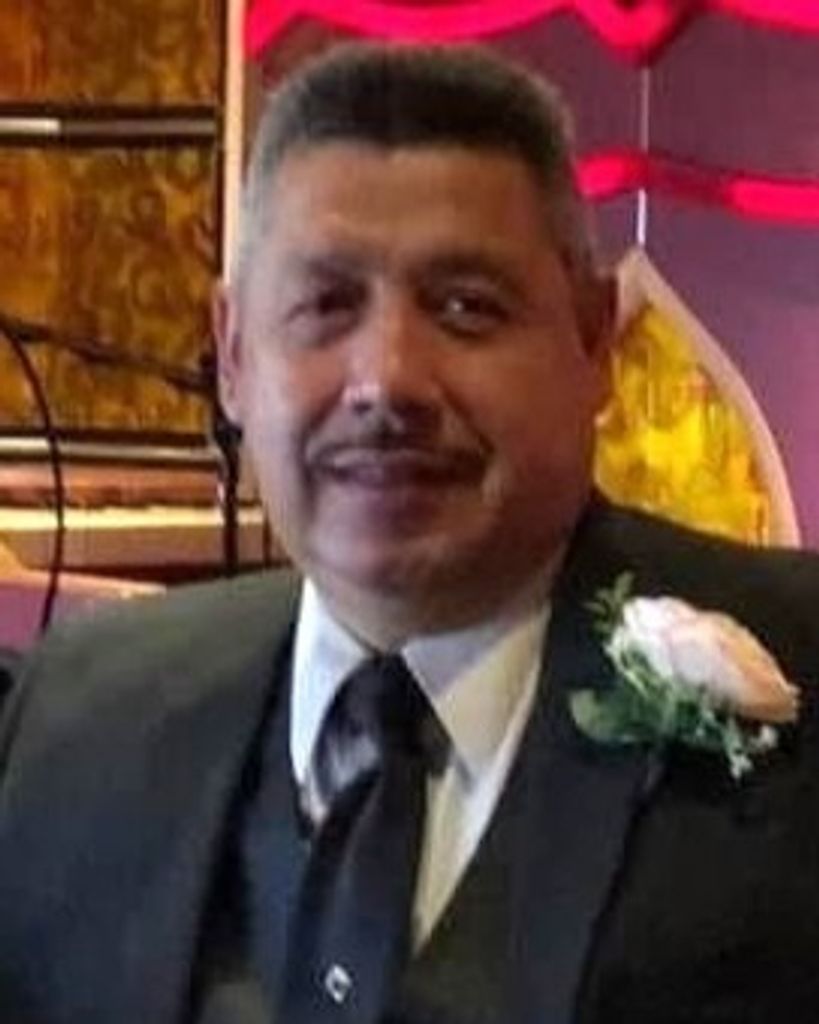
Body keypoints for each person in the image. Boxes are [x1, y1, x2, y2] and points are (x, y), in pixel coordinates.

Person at [0, 42, 818, 1024]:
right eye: (326, 305)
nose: (386, 381)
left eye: (466, 308)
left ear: (593, 338)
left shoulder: (800, 661)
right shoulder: (76, 716)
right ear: (233, 354)